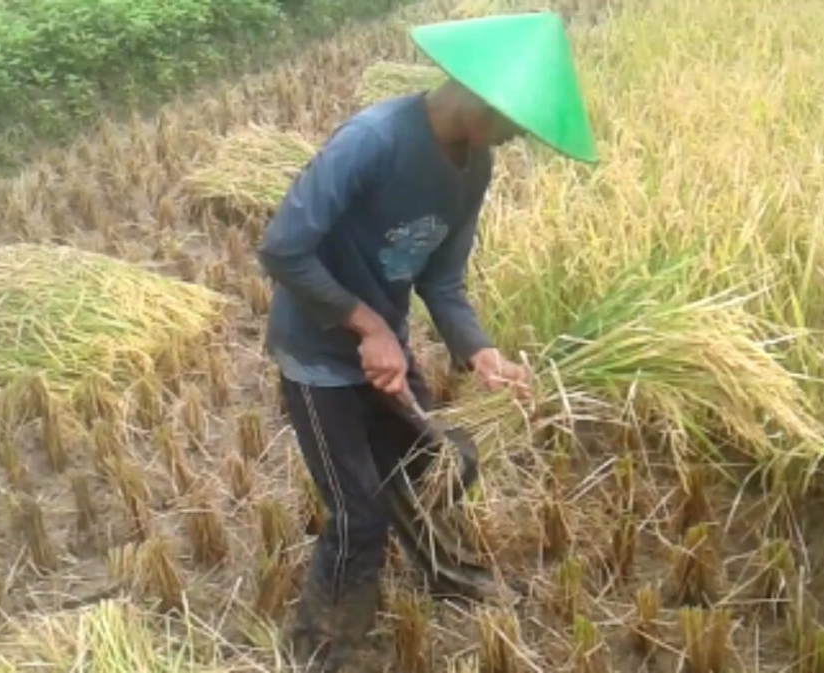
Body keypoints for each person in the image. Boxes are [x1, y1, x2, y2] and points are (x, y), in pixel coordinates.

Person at [254, 10, 597, 672]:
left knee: (435, 463)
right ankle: (325, 640)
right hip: (319, 359)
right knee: (359, 515)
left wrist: (480, 350)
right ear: (480, 100)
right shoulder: (372, 141)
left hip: (383, 350)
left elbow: (443, 279)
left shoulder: (474, 167)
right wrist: (370, 325)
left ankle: (443, 569)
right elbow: (283, 249)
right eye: (516, 122)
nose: (519, 138)